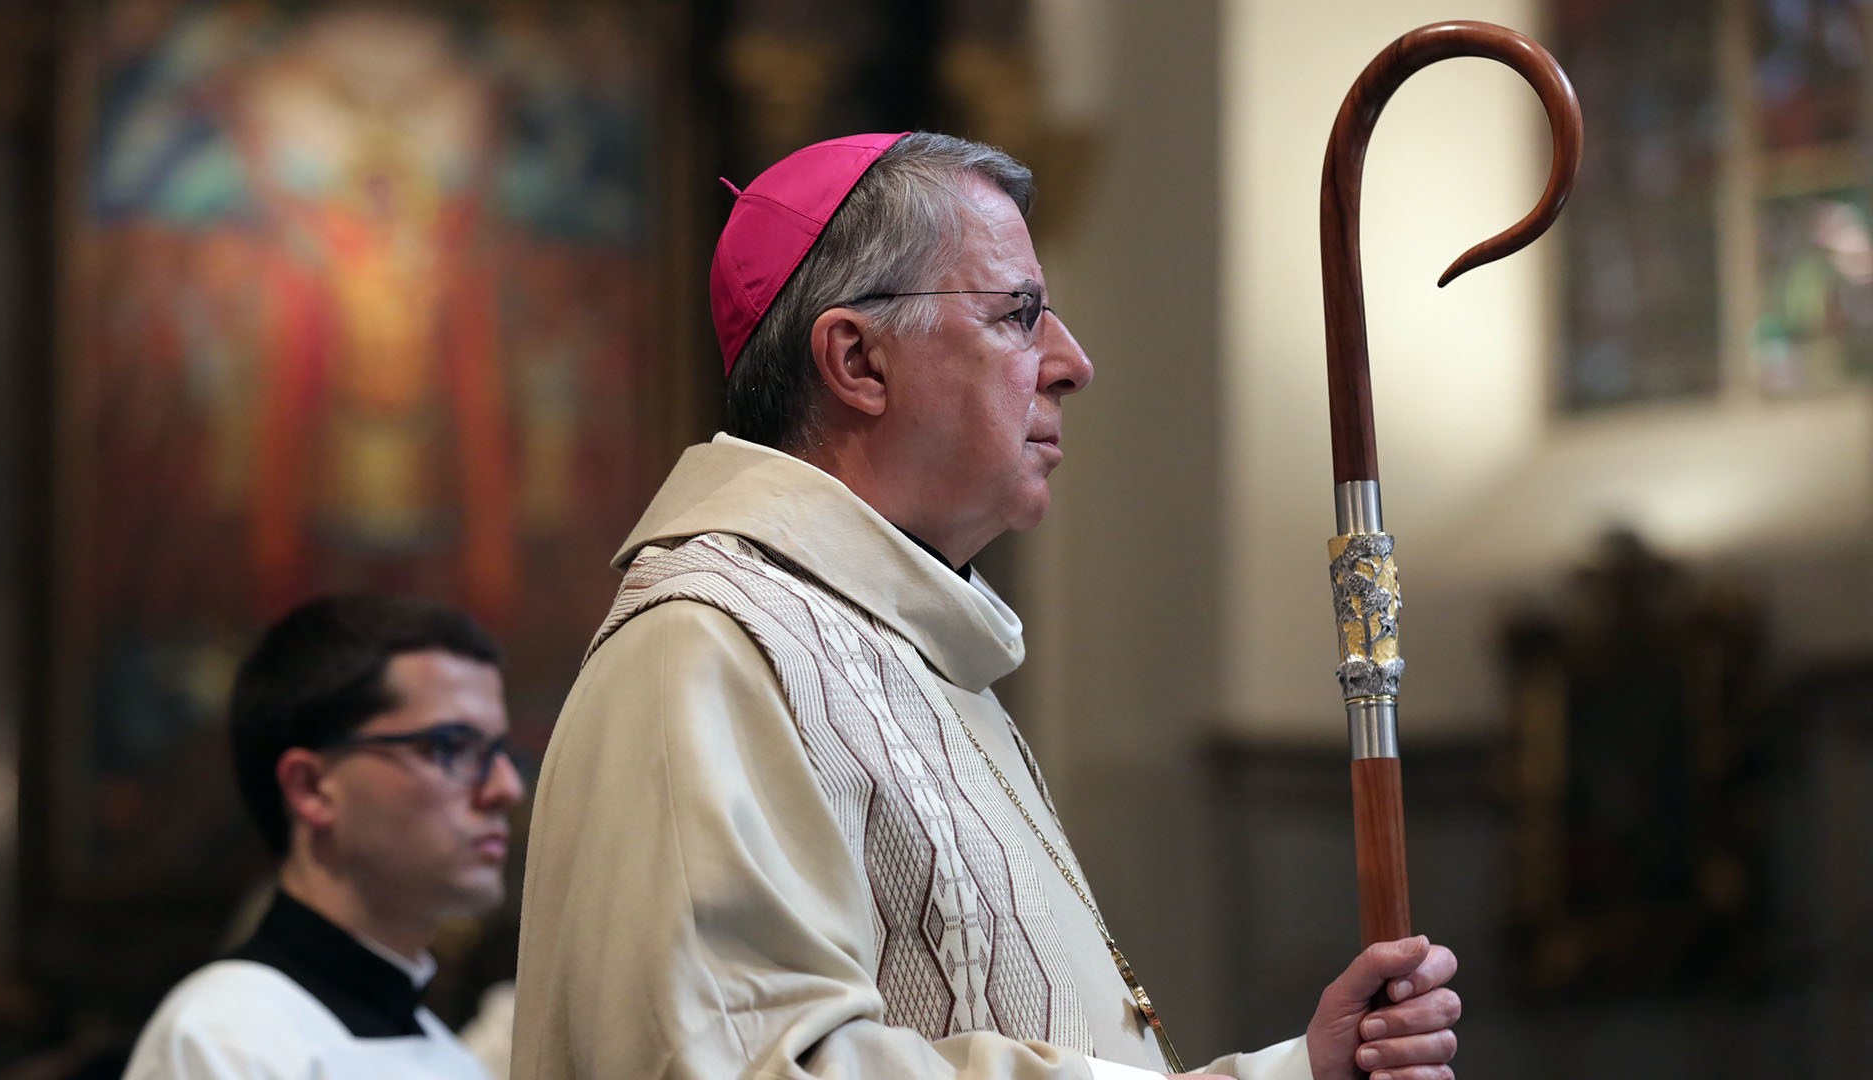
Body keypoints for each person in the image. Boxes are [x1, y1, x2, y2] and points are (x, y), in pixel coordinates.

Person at [513, 132, 1462, 1080]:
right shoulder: (706, 645)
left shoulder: (904, 647)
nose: (1072, 363)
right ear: (859, 361)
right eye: (1018, 315)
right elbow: (741, 1062)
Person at [125, 594, 527, 1080]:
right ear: (312, 787)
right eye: (452, 747)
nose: (507, 787)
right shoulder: (226, 1037)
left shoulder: (450, 1056)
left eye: (501, 750)